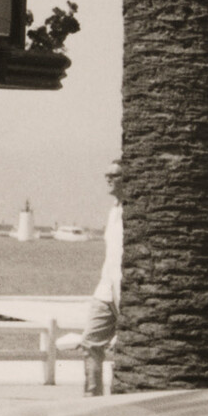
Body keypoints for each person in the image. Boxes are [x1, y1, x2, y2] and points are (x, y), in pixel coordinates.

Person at [81, 163, 124, 397]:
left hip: (124, 291)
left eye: (114, 175)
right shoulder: (112, 211)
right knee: (90, 342)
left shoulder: (132, 212)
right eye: (106, 173)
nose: (108, 178)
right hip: (105, 289)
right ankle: (91, 400)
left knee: (125, 349)